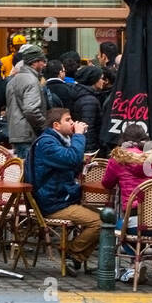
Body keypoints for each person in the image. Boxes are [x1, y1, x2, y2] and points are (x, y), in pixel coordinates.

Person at [27, 106, 101, 275]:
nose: (73, 122)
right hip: (52, 203)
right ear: (56, 126)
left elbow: (68, 164)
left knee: (105, 217)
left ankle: (75, 257)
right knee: (100, 222)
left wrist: (83, 164)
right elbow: (70, 158)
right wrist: (79, 135)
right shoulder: (47, 143)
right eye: (68, 120)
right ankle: (71, 252)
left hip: (61, 198)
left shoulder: (58, 141)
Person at [102, 123, 152, 219]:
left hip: (132, 221)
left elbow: (107, 184)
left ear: (124, 139)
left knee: (108, 219)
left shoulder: (118, 159)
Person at [6, 43, 48, 159]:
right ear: (34, 62)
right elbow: (31, 109)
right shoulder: (31, 81)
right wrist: (44, 124)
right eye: (42, 61)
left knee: (21, 170)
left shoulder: (13, 80)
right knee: (29, 172)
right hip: (27, 134)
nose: (44, 64)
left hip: (16, 133)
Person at [71, 66, 105, 153]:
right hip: (89, 147)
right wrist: (90, 151)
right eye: (101, 78)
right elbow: (88, 128)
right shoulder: (89, 100)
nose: (103, 81)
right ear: (94, 80)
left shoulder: (81, 94)